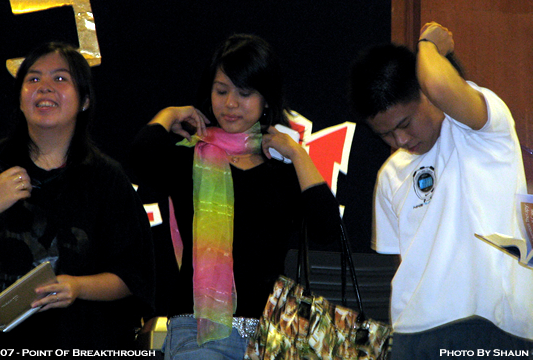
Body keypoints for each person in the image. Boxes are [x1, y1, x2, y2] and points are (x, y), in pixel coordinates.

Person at [131, 34, 340, 359]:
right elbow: (140, 159)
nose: (230, 103)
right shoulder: (189, 157)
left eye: (245, 93)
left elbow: (327, 229)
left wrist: (299, 156)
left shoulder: (282, 169)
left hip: (273, 336)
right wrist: (169, 114)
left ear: (266, 100)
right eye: (221, 91)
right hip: (197, 333)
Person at [0, 42, 155, 350]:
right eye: (34, 79)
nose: (45, 87)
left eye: (60, 78)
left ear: (85, 101)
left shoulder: (107, 179)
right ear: (20, 99)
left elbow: (134, 277)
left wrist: (78, 287)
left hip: (81, 343)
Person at [348, 22, 533, 358]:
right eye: (385, 134)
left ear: (426, 94)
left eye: (405, 123)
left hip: (493, 326)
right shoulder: (390, 174)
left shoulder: (481, 129)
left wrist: (429, 43)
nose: (400, 140)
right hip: (412, 333)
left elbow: (437, 81)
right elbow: (404, 263)